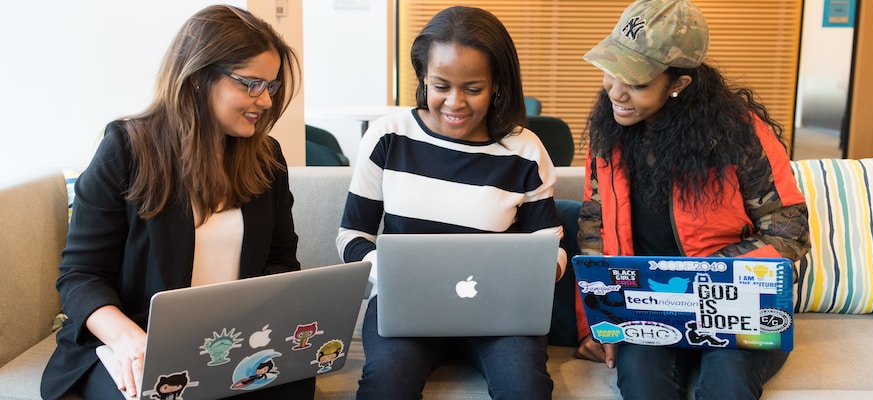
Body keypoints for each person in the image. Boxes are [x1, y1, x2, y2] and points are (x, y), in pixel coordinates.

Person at [39, 5, 312, 399]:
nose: (266, 100)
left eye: (270, 86)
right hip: (133, 341)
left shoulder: (266, 159)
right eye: (252, 84)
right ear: (198, 77)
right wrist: (130, 341)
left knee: (294, 384)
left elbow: (282, 262)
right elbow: (81, 276)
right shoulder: (126, 149)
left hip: (229, 343)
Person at [572, 0, 811, 399]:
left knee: (727, 387)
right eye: (611, 72)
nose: (616, 91)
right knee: (642, 385)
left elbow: (789, 231)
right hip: (647, 307)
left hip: (737, 305)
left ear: (679, 84)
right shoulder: (607, 136)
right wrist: (597, 325)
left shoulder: (741, 135)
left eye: (637, 83)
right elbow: (594, 229)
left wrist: (704, 277)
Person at [336, 6, 565, 399]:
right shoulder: (388, 136)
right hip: (405, 308)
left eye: (473, 89)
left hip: (500, 314)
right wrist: (391, 273)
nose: (455, 103)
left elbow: (551, 247)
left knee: (525, 386)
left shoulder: (524, 150)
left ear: (497, 85)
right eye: (440, 85)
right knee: (386, 383)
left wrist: (542, 273)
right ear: (423, 78)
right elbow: (351, 236)